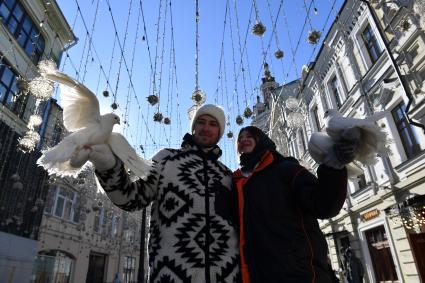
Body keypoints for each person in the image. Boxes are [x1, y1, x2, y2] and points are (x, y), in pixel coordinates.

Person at [71, 104, 240, 283]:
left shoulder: (226, 175)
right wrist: (108, 167)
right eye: (201, 122)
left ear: (220, 131)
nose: (206, 128)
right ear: (193, 127)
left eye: (213, 124)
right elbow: (131, 198)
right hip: (172, 276)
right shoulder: (166, 159)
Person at [233, 126, 358, 283]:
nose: (243, 139)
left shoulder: (287, 170)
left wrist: (333, 166)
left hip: (300, 274)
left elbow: (323, 205)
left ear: (261, 141)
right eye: (240, 138)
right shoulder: (238, 183)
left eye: (250, 136)